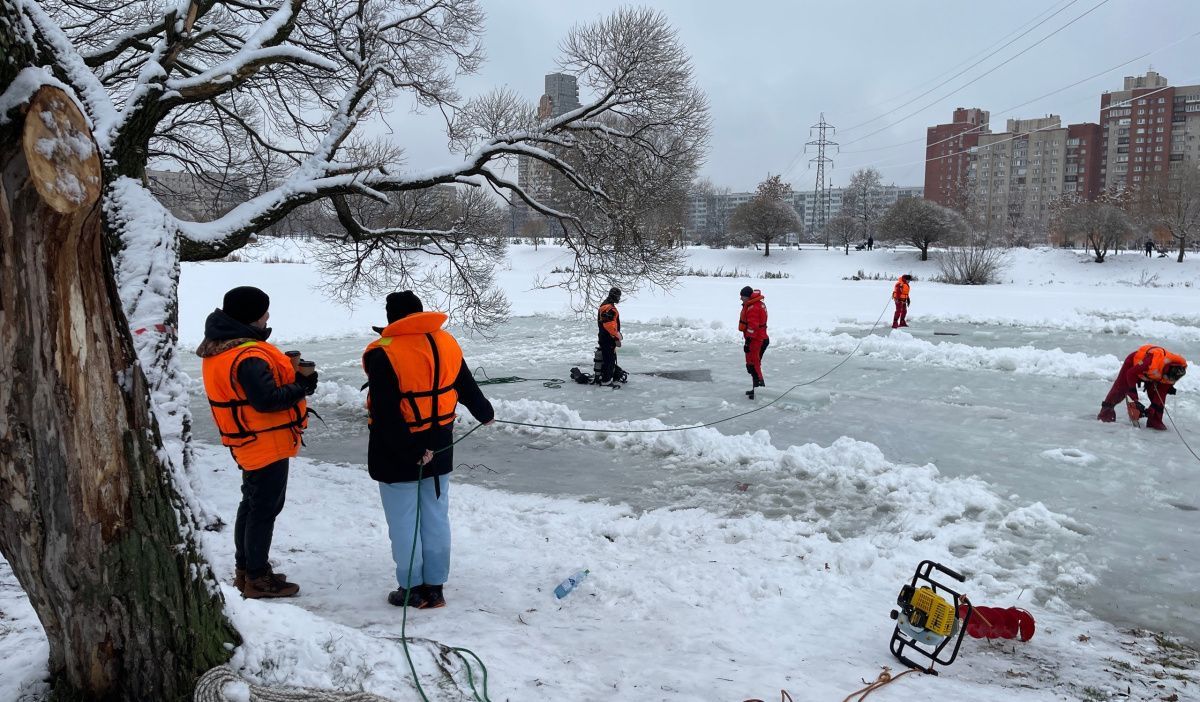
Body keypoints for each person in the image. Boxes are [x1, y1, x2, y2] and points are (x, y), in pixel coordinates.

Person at [363, 291, 494, 609]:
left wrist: (410, 451)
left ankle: (411, 589)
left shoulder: (385, 352)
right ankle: (435, 587)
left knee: (405, 521)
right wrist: (484, 412)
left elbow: (386, 413)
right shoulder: (444, 342)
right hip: (440, 443)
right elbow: (465, 384)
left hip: (398, 451)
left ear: (391, 318)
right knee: (435, 516)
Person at [198, 286, 317, 598]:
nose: (267, 317)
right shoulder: (248, 355)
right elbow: (266, 401)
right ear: (252, 316)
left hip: (249, 440)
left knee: (252, 505)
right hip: (265, 442)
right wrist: (302, 386)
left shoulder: (222, 347)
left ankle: (247, 569)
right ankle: (256, 578)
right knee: (263, 509)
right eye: (264, 312)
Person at [1098, 344, 1187, 430]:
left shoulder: (1174, 373)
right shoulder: (1151, 361)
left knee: (1157, 398)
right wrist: (1133, 394)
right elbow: (1130, 373)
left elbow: (1162, 392)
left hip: (1152, 375)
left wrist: (1153, 407)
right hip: (1133, 367)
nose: (1168, 381)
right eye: (1167, 378)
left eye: (1170, 380)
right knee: (1120, 389)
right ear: (1166, 372)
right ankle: (1105, 414)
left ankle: (1155, 421)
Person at [739, 286, 769, 394]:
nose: (741, 299)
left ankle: (759, 390)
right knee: (753, 364)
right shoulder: (757, 304)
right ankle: (756, 389)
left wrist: (748, 342)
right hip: (760, 338)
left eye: (742, 297)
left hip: (757, 340)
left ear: (747, 296)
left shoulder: (754, 308)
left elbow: (753, 327)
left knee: (753, 364)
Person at [596, 287, 625, 384]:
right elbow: (609, 325)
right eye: (618, 296)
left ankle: (605, 377)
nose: (619, 298)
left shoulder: (606, 305)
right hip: (608, 338)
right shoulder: (609, 307)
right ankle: (606, 381)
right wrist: (616, 337)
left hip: (605, 337)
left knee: (608, 358)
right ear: (614, 296)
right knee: (609, 360)